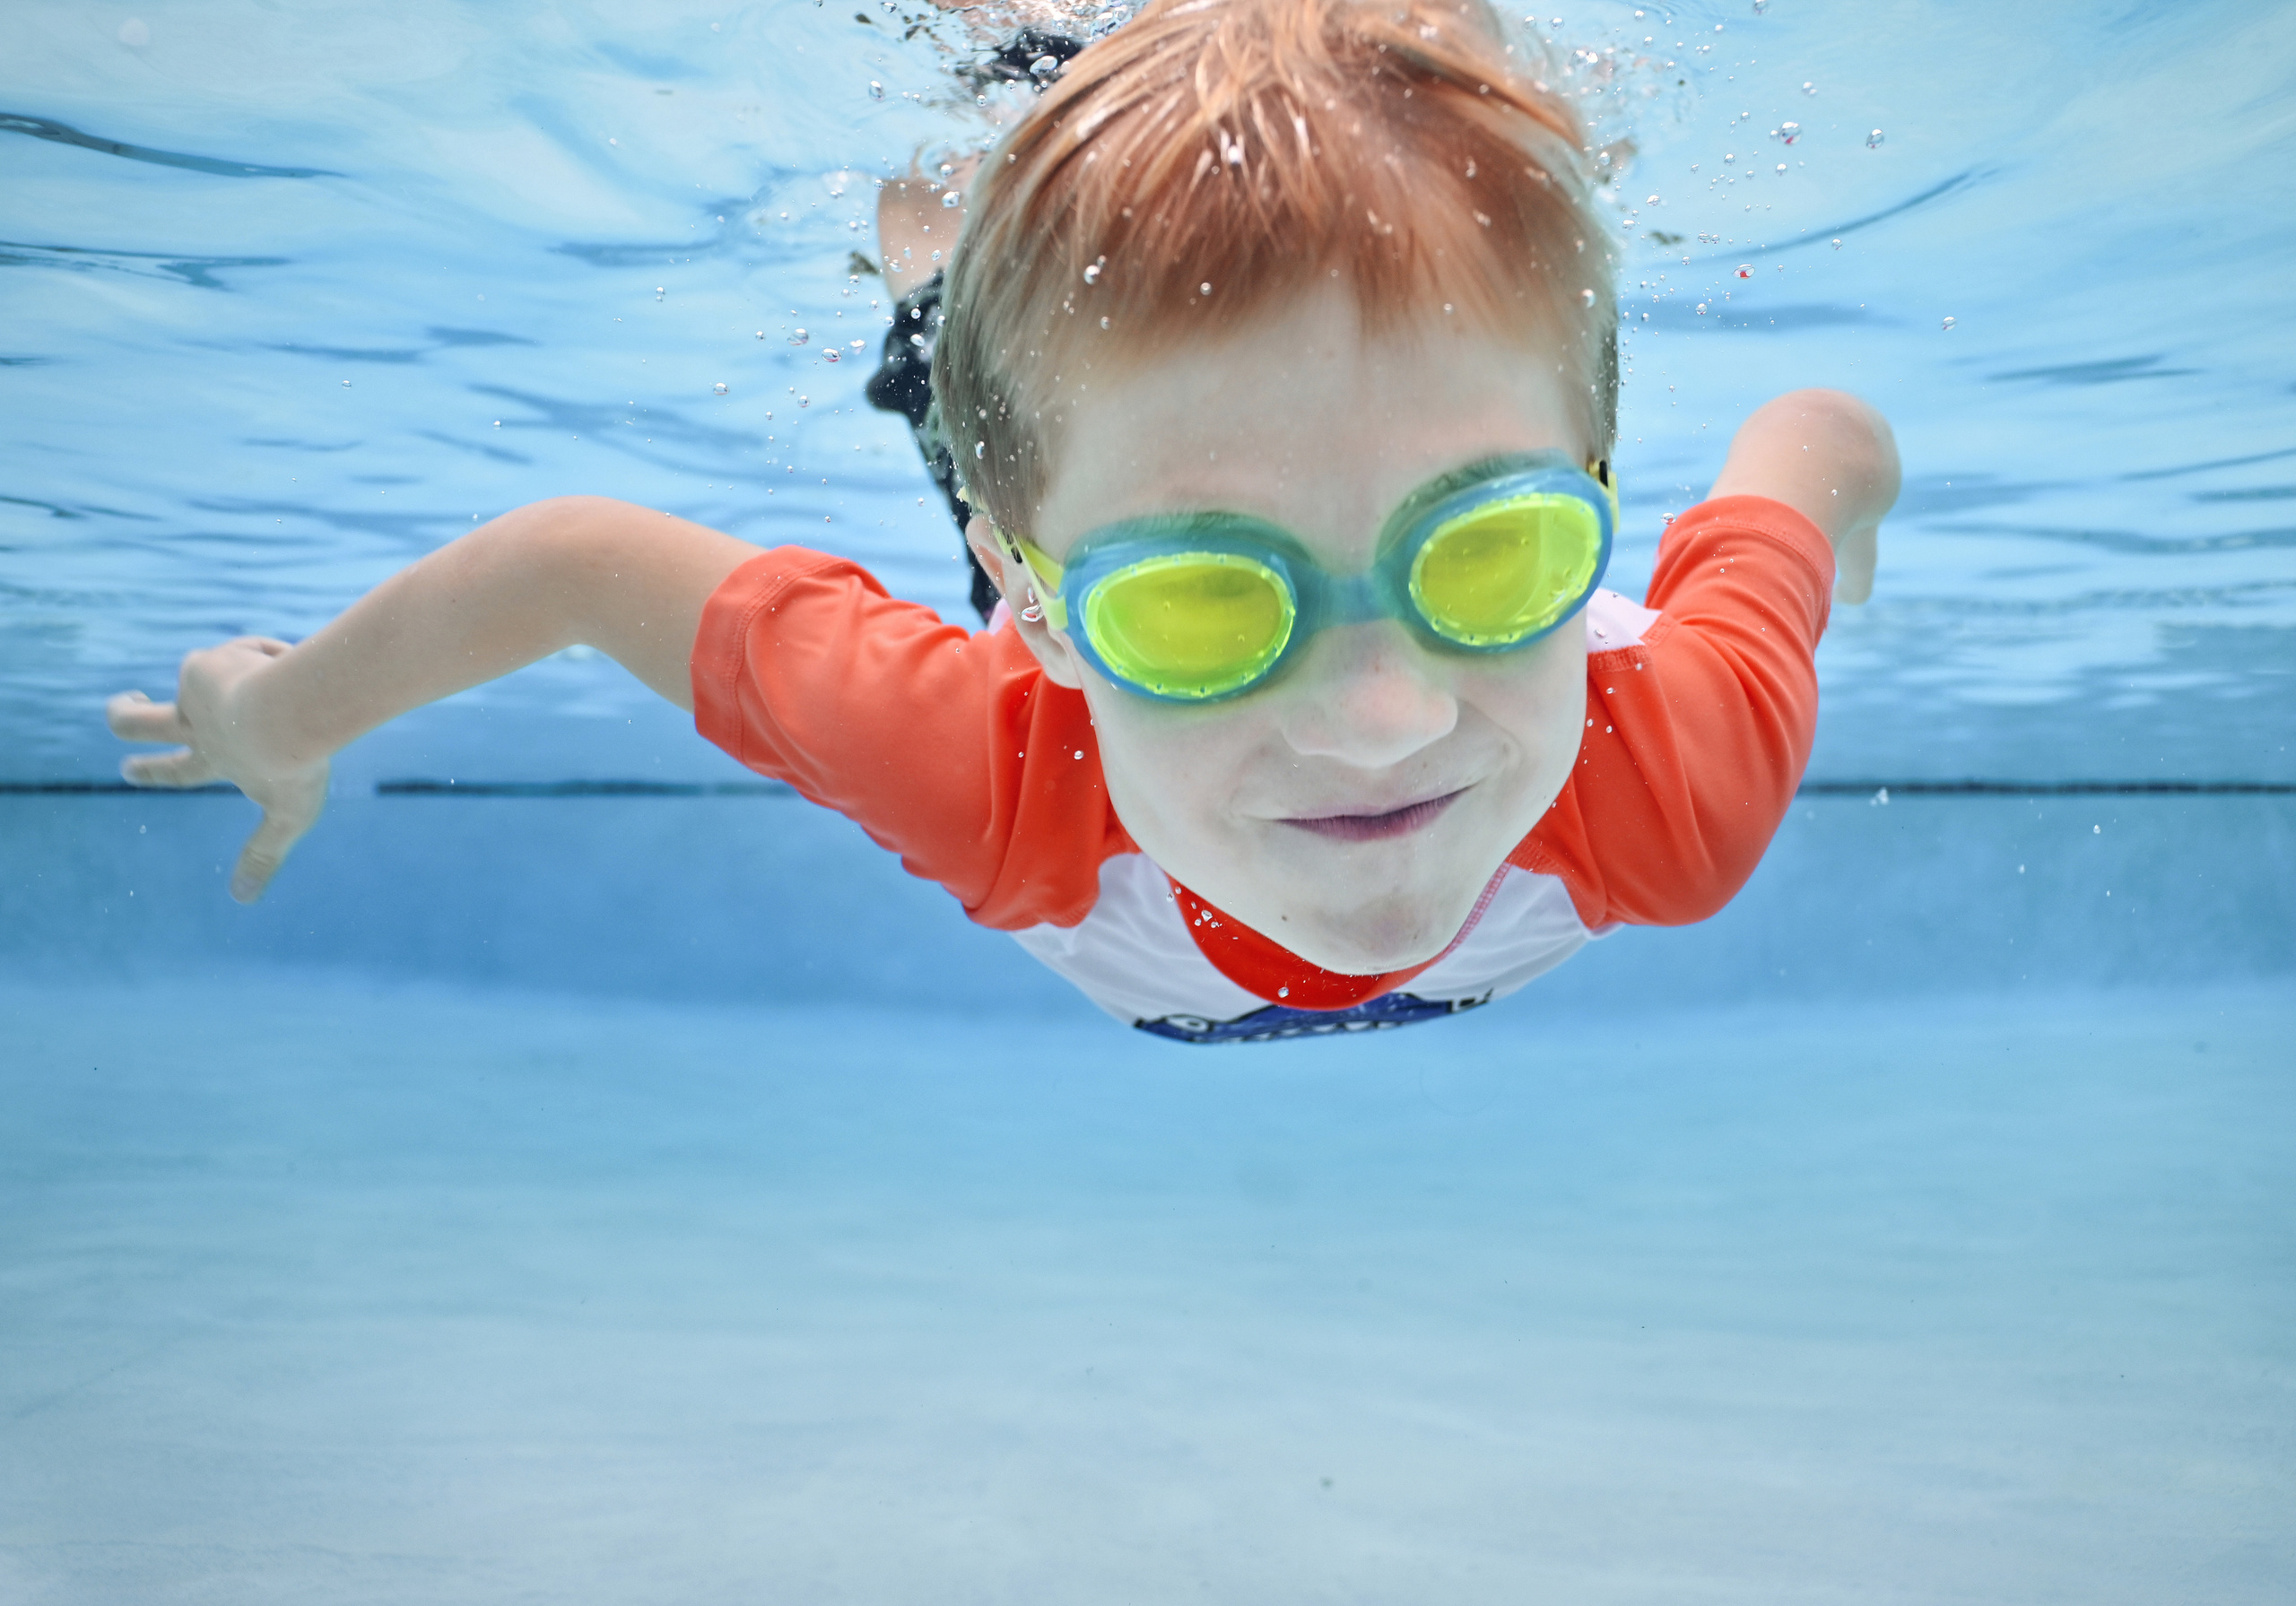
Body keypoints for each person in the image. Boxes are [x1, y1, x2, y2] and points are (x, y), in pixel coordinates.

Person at [106, 0, 1900, 1045]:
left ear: (1589, 508)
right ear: (1032, 613)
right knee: (946, 267)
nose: (1387, 714)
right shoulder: (1001, 761)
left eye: (1489, 557)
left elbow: (1810, 441)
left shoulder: (1660, 762)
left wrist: (1847, 534)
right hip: (1051, 472)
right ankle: (964, 243)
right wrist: (269, 716)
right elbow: (580, 558)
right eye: (1204, 601)